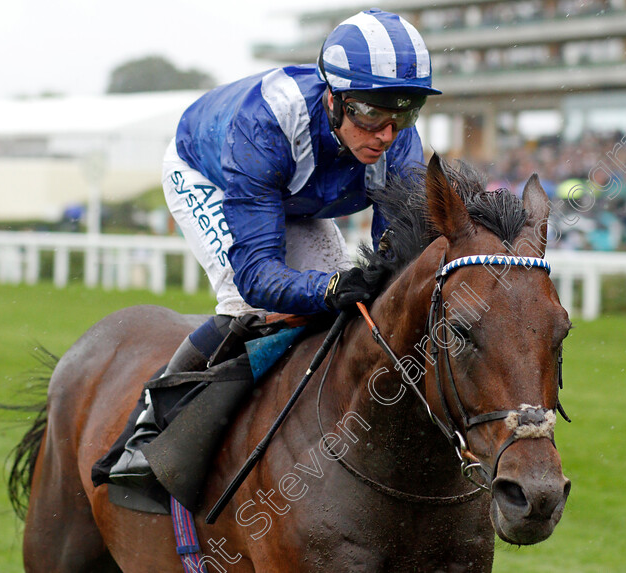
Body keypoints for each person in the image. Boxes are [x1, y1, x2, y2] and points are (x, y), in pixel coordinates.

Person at [108, 8, 441, 485]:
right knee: (248, 303)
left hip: (289, 192)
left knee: (350, 298)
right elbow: (258, 274)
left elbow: (400, 259)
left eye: (403, 113)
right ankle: (148, 426)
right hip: (209, 173)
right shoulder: (264, 126)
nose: (385, 134)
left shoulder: (399, 143)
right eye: (370, 113)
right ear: (334, 99)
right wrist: (328, 288)